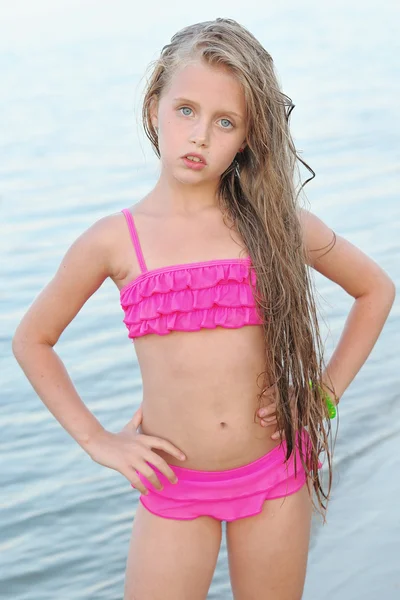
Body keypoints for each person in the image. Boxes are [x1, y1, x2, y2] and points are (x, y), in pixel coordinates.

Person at [12, 17, 395, 600]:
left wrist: (324, 394)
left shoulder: (274, 225)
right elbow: (32, 339)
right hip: (174, 485)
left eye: (225, 122)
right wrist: (97, 441)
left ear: (247, 137)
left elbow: (375, 290)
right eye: (185, 110)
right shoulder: (115, 240)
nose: (199, 136)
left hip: (275, 473)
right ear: (153, 108)